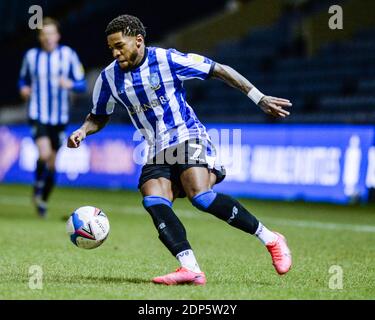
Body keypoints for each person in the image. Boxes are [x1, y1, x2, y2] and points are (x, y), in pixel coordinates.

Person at [67, 14, 292, 285]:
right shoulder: (108, 78)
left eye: (120, 46)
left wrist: (259, 97)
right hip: (155, 147)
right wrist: (83, 130)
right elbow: (98, 115)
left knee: (201, 196)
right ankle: (190, 268)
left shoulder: (167, 60)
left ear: (138, 41)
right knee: (153, 199)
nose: (115, 53)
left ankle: (271, 239)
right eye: (111, 48)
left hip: (187, 135)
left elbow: (219, 69)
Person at [19, 17, 87, 217]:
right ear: (40, 37)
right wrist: (23, 89)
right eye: (44, 34)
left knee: (52, 163)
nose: (48, 38)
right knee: (44, 153)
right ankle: (38, 186)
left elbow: (82, 84)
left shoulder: (68, 55)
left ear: (57, 36)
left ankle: (42, 200)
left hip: (60, 117)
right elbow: (22, 79)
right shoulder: (31, 56)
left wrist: (71, 85)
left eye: (51, 34)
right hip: (37, 114)